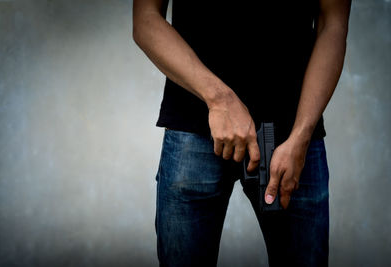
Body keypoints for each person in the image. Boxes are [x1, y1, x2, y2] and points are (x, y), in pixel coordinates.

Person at [133, 0, 351, 266]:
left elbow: (333, 25)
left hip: (291, 143)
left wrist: (301, 135)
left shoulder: (296, 139)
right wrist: (219, 99)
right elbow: (145, 20)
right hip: (196, 128)